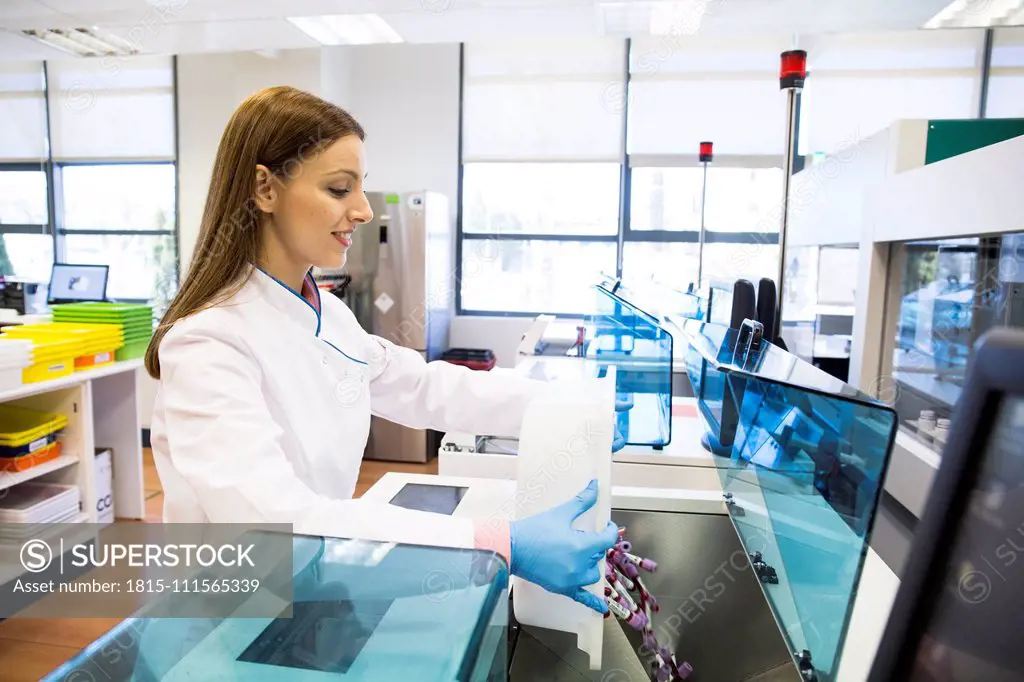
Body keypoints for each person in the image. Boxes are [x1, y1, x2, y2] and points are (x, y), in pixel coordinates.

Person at [145, 85, 618, 614]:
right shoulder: (207, 342)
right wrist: (499, 542)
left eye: (360, 188)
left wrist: (567, 407)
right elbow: (277, 521)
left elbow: (423, 386)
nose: (365, 210)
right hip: (227, 614)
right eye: (339, 188)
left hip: (313, 586)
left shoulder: (327, 314)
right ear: (264, 189)